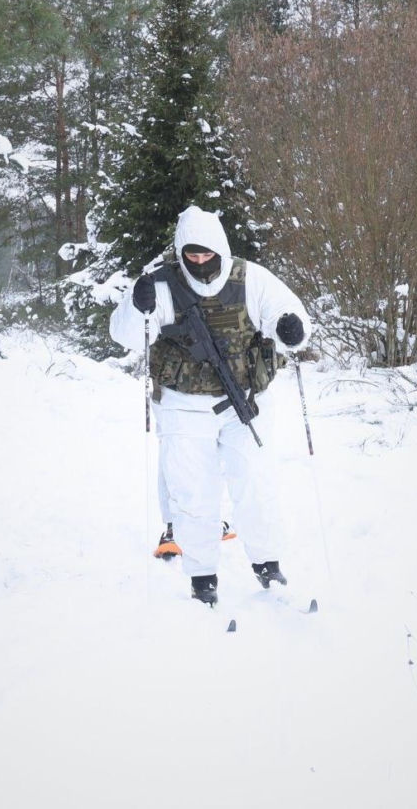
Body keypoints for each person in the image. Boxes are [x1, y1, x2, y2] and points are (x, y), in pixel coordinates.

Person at [111, 206, 310, 605]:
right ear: (182, 253)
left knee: (254, 482)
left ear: (220, 250)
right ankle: (202, 577)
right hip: (184, 405)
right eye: (192, 256)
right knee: (193, 492)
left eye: (207, 255)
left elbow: (287, 318)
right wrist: (138, 306)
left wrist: (292, 329)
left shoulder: (250, 278)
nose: (200, 263)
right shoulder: (163, 284)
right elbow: (126, 336)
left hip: (245, 402)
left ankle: (267, 563)